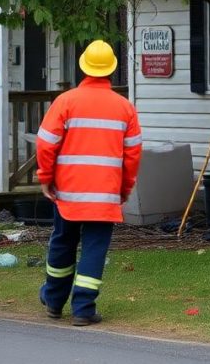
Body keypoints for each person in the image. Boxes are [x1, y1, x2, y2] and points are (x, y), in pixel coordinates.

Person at [37, 39, 142, 326]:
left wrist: (46, 178)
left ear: (83, 67)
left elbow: (45, 144)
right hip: (104, 194)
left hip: (68, 191)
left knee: (62, 242)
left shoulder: (65, 101)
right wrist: (124, 189)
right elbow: (133, 155)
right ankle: (83, 309)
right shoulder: (125, 107)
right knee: (95, 247)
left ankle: (53, 301)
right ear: (111, 70)